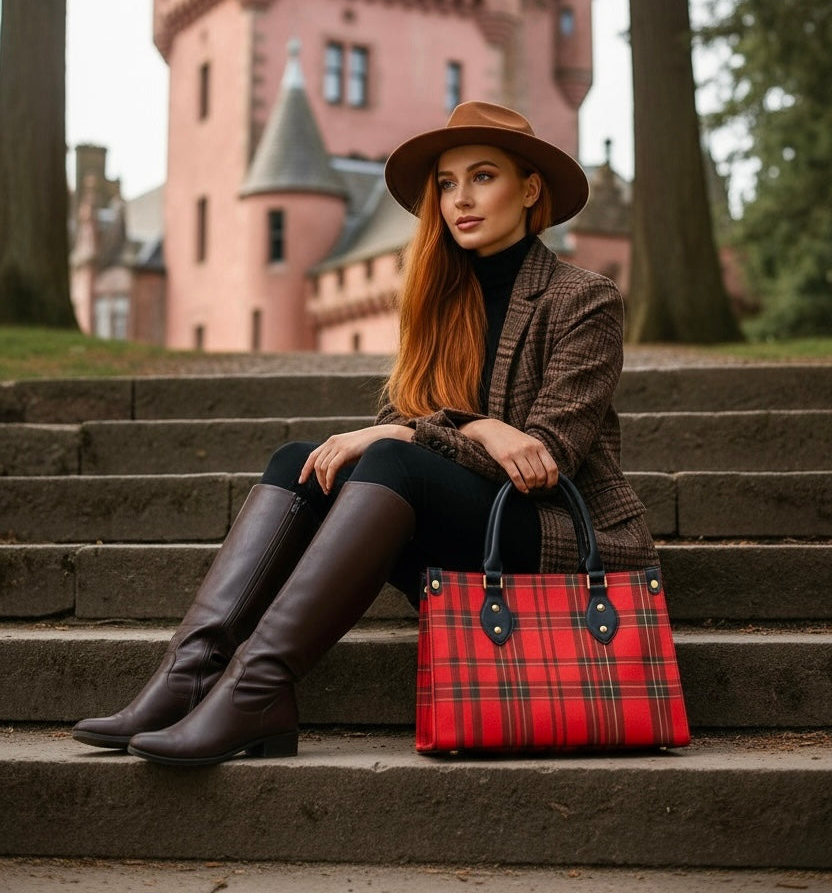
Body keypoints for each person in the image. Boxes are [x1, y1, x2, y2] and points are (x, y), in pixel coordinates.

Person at [72, 101, 656, 768]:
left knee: (394, 460)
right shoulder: (439, 302)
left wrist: (453, 431)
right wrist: (469, 429)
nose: (459, 198)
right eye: (446, 183)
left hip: (551, 534)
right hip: (459, 526)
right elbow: (401, 421)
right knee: (300, 461)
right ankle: (190, 674)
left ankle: (257, 688)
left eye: (483, 177)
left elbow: (545, 457)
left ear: (529, 190)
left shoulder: (584, 299)